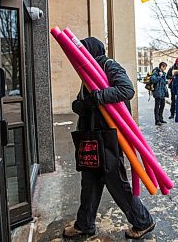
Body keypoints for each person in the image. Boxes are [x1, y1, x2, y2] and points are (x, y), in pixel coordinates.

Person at [65, 37, 155, 239]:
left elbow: (126, 90)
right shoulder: (88, 71)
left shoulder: (108, 65)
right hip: (91, 136)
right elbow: (86, 103)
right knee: (89, 182)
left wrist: (96, 98)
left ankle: (143, 221)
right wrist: (80, 105)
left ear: (91, 51)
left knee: (115, 182)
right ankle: (84, 224)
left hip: (108, 137)